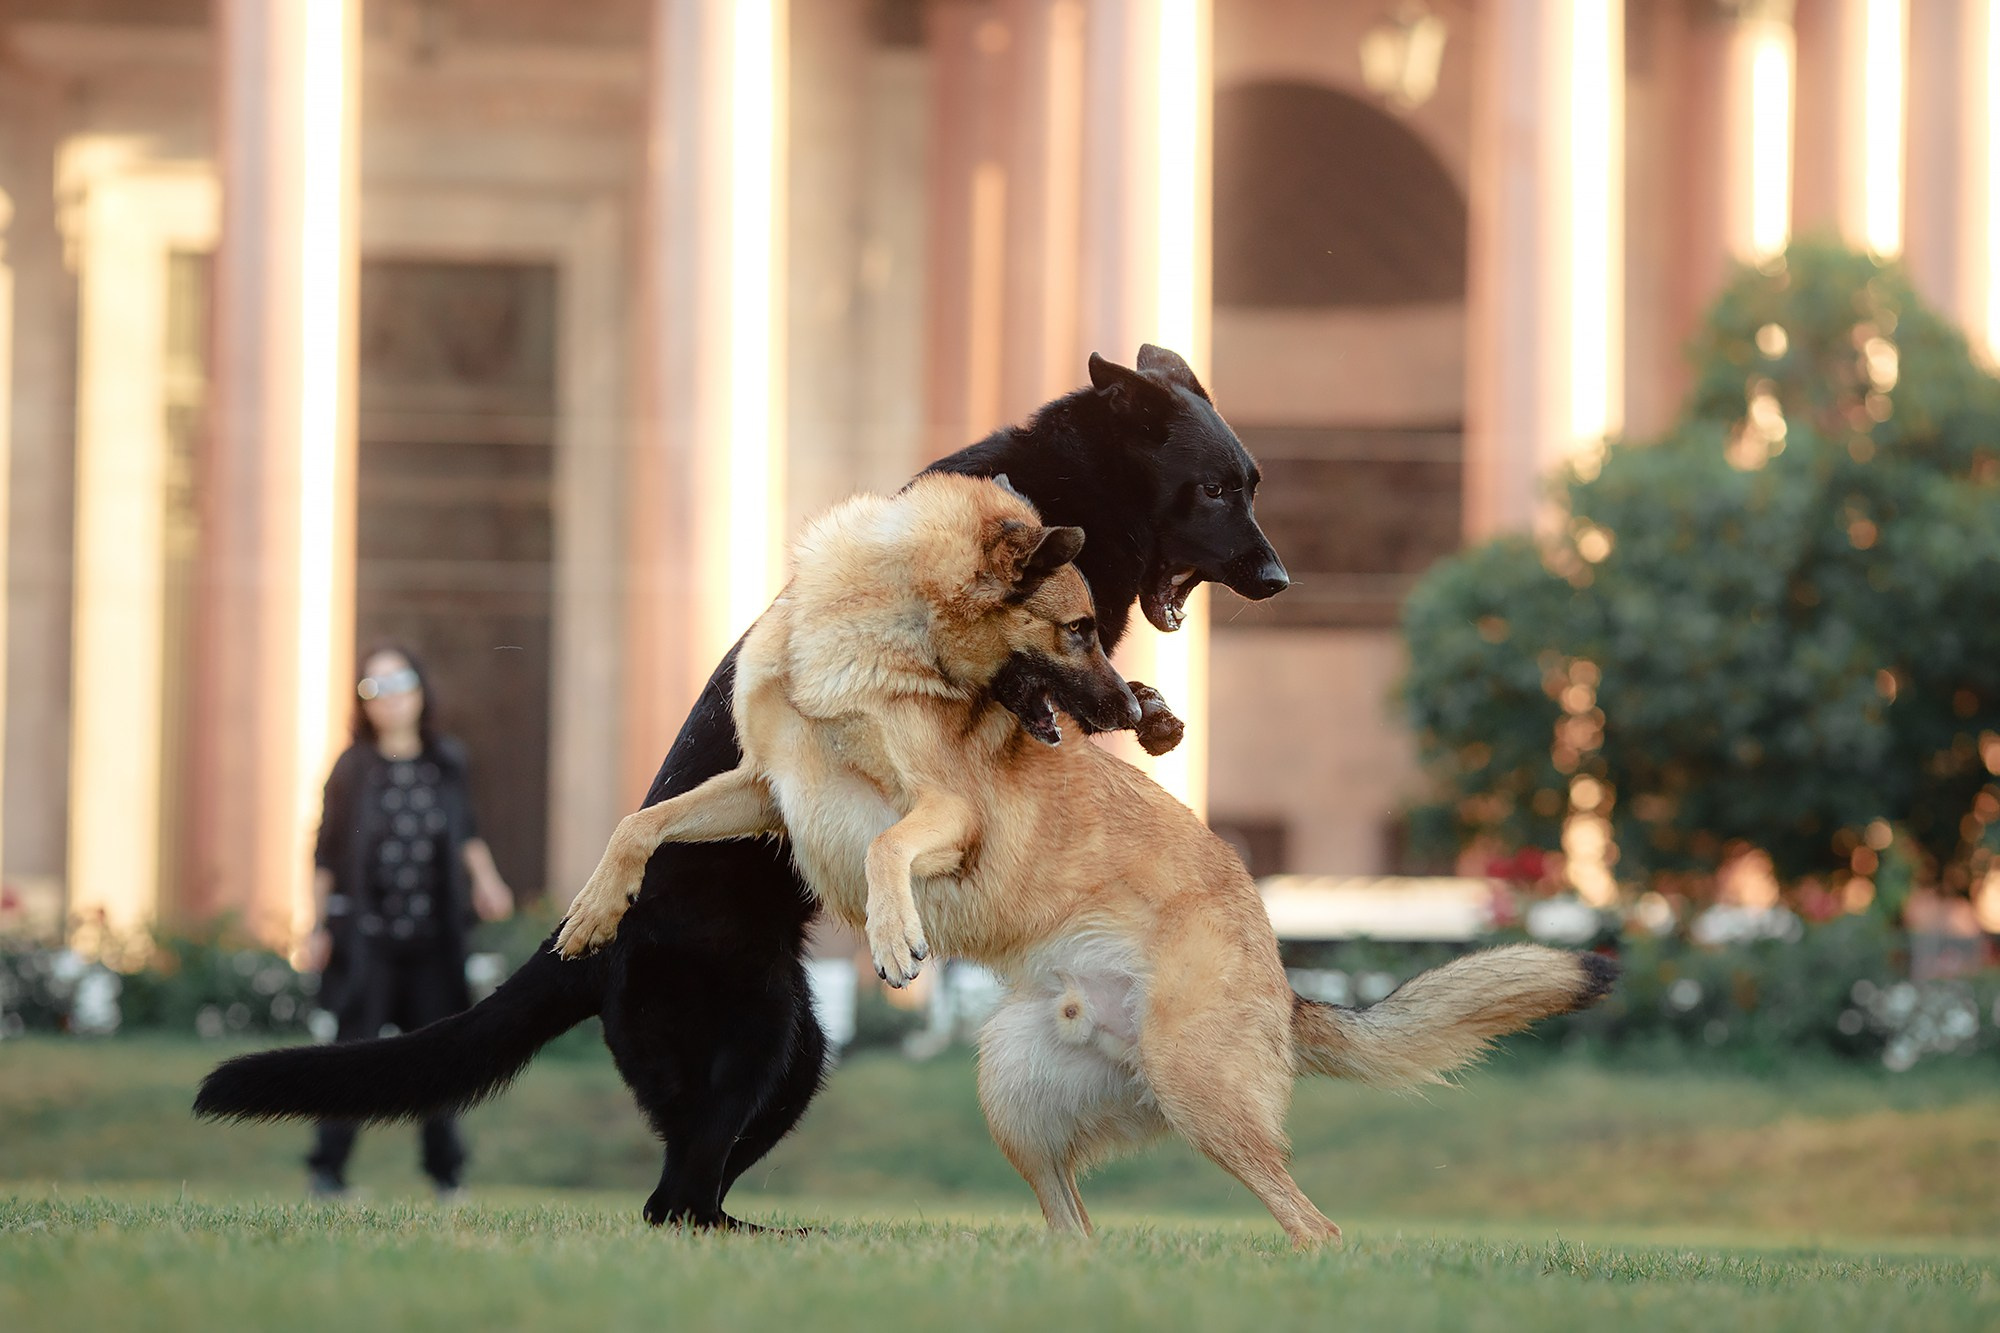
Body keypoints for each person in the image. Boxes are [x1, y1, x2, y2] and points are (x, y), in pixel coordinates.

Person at [302, 644, 514, 1199]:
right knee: (354, 1056)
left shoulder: (446, 762)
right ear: (362, 704)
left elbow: (466, 831)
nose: (389, 700)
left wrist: (487, 881)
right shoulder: (352, 768)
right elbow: (325, 853)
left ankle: (446, 1174)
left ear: (420, 692)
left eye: (399, 685)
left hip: (433, 940)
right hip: (367, 941)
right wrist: (317, 925)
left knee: (438, 1059)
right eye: (373, 689)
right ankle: (328, 1171)